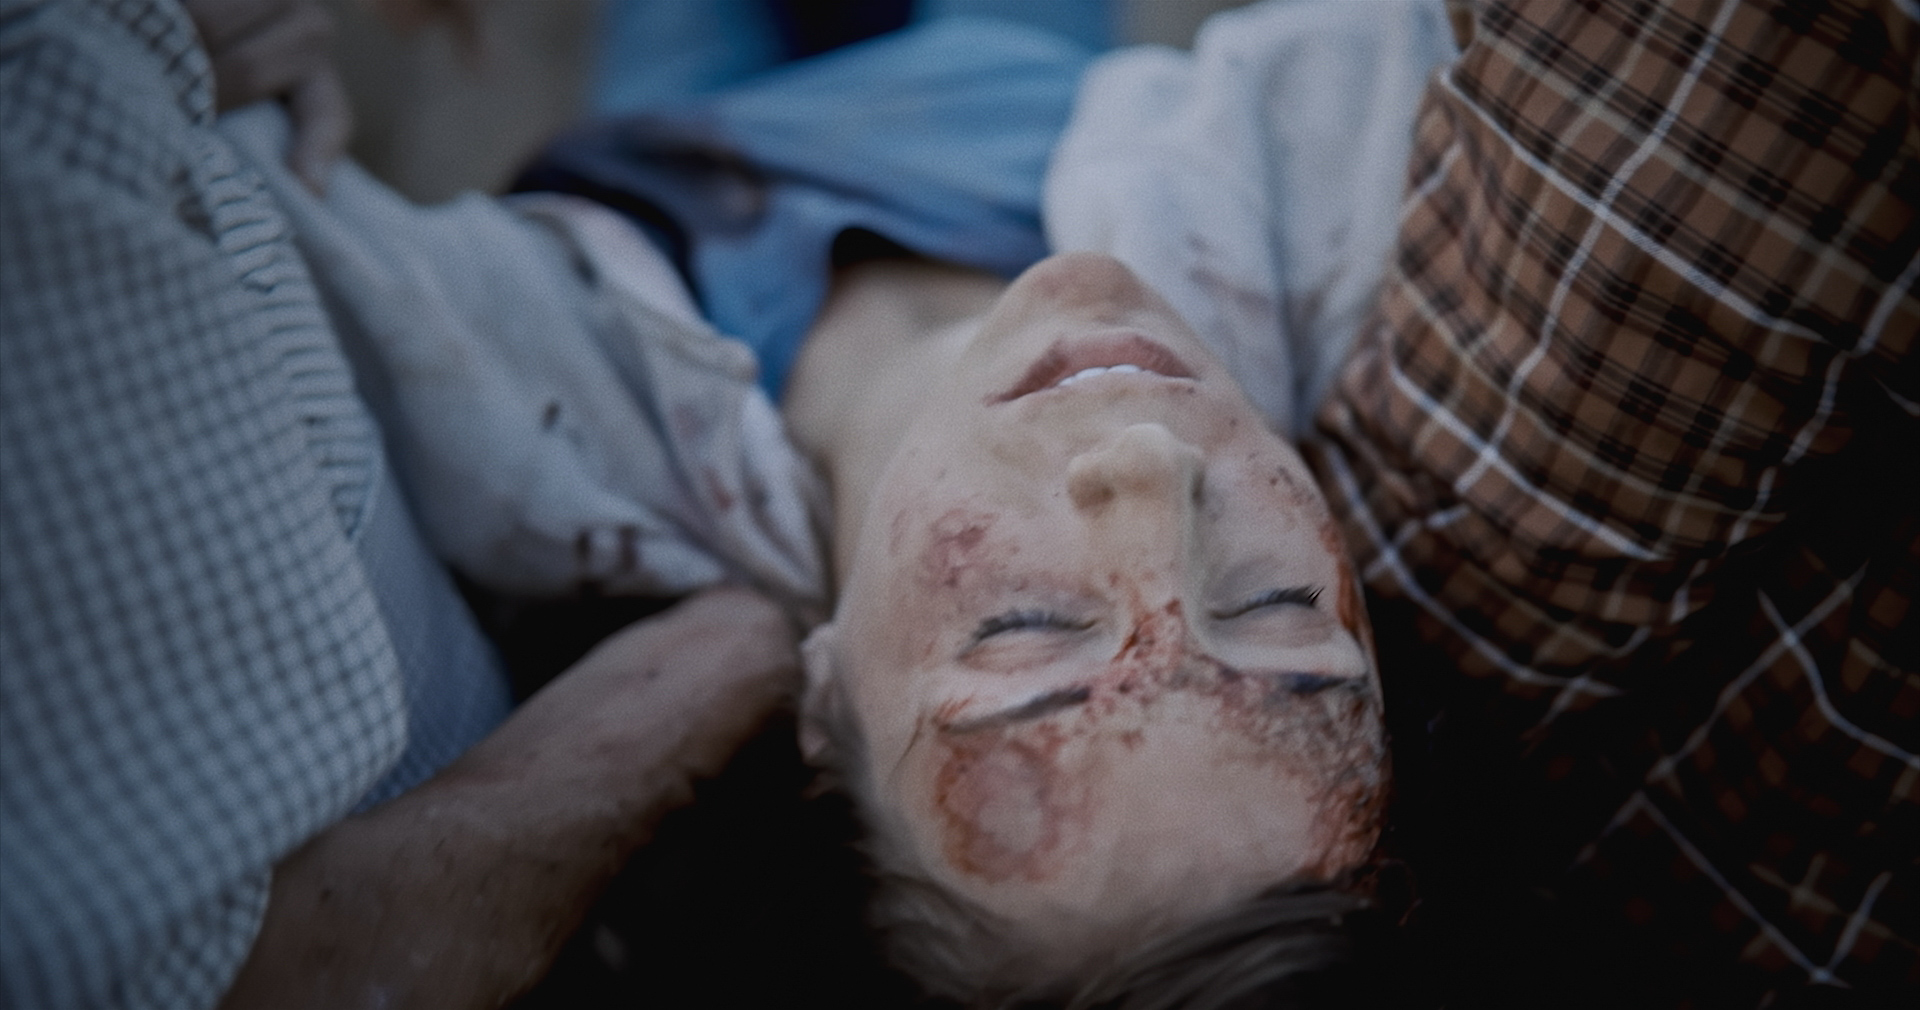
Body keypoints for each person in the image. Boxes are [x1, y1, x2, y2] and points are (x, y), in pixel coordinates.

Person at [0, 2, 798, 1008]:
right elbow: (314, 968)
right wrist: (731, 653)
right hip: (654, 368)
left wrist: (146, 30)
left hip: (561, 310)